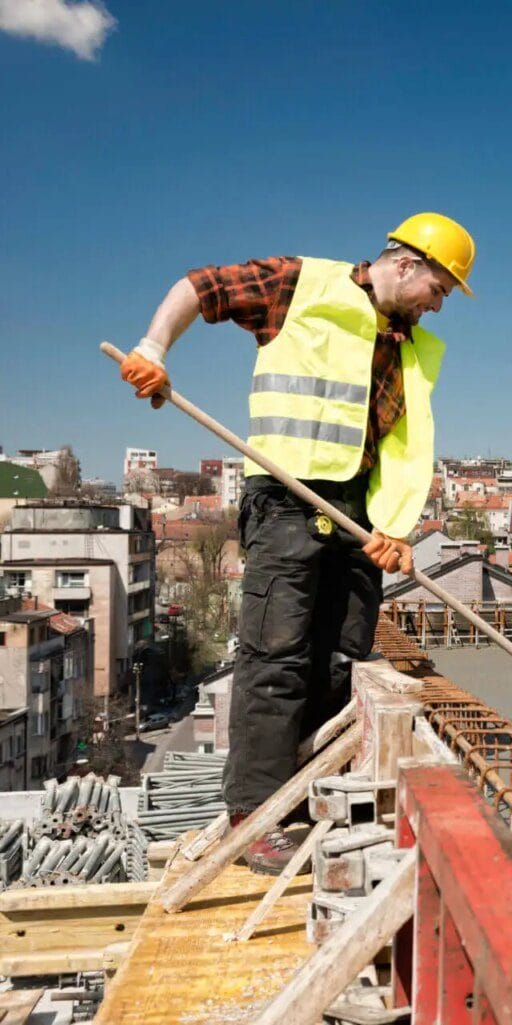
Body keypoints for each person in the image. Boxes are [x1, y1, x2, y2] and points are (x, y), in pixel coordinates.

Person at [119, 213, 475, 873]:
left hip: (356, 514)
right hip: (286, 500)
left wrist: (396, 526)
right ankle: (255, 819)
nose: (439, 303)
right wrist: (154, 348)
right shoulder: (299, 284)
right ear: (404, 264)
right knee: (275, 659)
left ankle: (309, 803)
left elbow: (403, 447)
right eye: (440, 288)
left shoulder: (408, 347)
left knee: (341, 660)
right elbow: (201, 287)